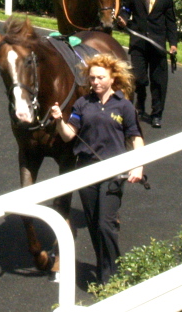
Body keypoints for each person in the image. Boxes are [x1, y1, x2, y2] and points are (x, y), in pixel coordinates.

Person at [48, 54, 144, 285]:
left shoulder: (124, 105)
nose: (96, 82)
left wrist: (138, 165)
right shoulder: (82, 104)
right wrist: (59, 120)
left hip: (114, 171)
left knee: (105, 224)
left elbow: (136, 138)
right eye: (92, 78)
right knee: (94, 225)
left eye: (101, 77)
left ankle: (112, 275)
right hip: (86, 170)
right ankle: (106, 272)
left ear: (112, 78)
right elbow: (69, 135)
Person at [117, 0, 178, 129]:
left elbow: (171, 21)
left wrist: (173, 44)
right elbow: (126, 9)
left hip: (157, 44)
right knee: (140, 79)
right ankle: (140, 107)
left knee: (158, 81)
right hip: (138, 43)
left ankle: (157, 114)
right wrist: (123, 18)